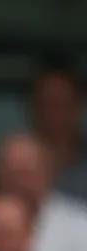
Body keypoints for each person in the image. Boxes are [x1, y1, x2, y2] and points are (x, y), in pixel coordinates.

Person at [28, 65, 87, 202]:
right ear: (32, 108)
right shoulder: (14, 166)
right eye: (46, 103)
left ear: (79, 106)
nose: (54, 113)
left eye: (62, 103)